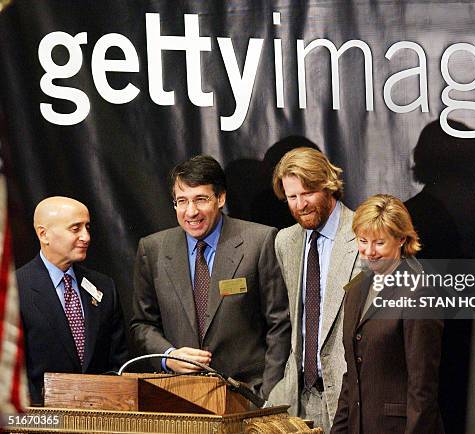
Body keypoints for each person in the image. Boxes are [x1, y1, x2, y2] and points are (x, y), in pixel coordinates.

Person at [130, 155, 290, 399]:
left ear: (221, 198)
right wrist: (169, 356)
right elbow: (142, 325)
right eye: (182, 201)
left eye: (200, 199)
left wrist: (267, 395)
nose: (191, 211)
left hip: (246, 396)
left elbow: (279, 325)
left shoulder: (260, 241)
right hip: (178, 398)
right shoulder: (153, 249)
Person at [331, 194, 444, 434]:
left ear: (401, 238)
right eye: (363, 241)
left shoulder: (418, 291)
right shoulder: (356, 288)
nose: (369, 252)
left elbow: (422, 387)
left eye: (379, 243)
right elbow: (351, 376)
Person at [267, 147, 359, 432]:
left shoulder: (365, 235)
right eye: (291, 197)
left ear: (328, 185)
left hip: (350, 400)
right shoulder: (286, 241)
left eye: (307, 194)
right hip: (299, 401)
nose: (300, 205)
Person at [16, 196, 128, 405]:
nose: (86, 236)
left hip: (100, 417)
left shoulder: (104, 287)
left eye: (87, 227)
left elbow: (117, 362)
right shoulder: (15, 290)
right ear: (44, 234)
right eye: (75, 229)